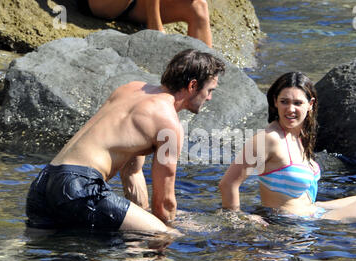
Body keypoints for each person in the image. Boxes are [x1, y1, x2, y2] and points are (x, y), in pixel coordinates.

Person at [26, 49, 225, 234]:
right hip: (79, 186)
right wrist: (169, 229)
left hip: (44, 184)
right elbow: (164, 204)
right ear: (192, 86)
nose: (209, 98)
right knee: (164, 235)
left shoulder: (131, 89)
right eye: (210, 90)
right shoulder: (169, 123)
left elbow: (132, 171)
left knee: (39, 246)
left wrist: (142, 216)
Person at [219, 71, 356, 221]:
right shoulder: (268, 139)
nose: (290, 109)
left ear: (310, 104)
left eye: (298, 103)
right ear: (275, 102)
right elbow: (228, 184)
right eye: (284, 102)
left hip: (314, 209)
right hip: (294, 222)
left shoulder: (299, 136)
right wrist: (239, 221)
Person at [76, 0, 213, 48]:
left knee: (199, 6)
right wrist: (156, 30)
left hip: (135, 7)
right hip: (101, 4)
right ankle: (155, 30)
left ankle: (204, 78)